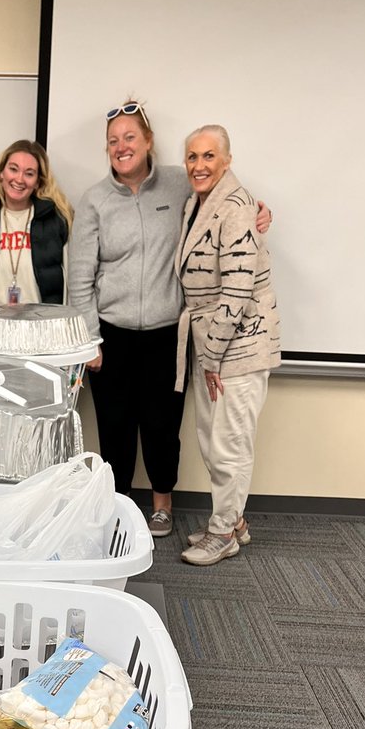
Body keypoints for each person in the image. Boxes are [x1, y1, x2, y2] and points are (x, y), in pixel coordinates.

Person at [68, 100, 271, 538]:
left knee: (162, 427)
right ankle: (116, 505)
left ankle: (162, 504)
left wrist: (259, 210)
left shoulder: (180, 184)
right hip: (113, 336)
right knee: (116, 429)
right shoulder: (94, 201)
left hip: (168, 336)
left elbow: (224, 200)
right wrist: (90, 339)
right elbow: (79, 277)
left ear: (148, 142)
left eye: (130, 138)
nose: (122, 147)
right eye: (113, 141)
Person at [175, 125, 281, 566]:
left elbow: (237, 292)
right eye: (192, 157)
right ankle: (233, 519)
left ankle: (223, 534)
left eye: (209, 157)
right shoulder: (196, 203)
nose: (199, 166)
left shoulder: (236, 207)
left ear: (227, 160)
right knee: (212, 438)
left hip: (238, 345)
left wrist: (213, 355)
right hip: (213, 343)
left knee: (229, 443)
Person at [0, 139, 73, 304]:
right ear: (1, 174)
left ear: (37, 182)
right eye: (13, 169)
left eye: (29, 173)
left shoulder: (57, 221)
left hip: (42, 325)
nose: (19, 179)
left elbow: (71, 283)